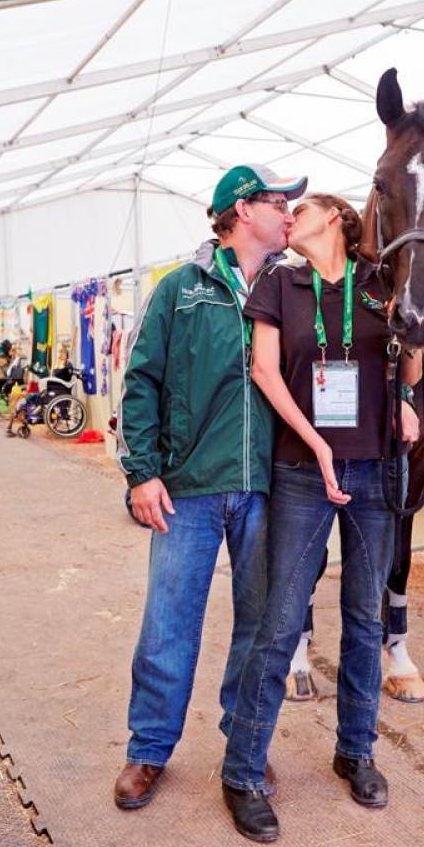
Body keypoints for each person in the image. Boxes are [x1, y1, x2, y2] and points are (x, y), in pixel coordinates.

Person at [219, 193, 422, 842]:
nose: (289, 220)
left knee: (364, 620)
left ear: (333, 217)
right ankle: (243, 769)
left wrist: (410, 375)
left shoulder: (380, 283)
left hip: (373, 468)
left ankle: (356, 752)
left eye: (300, 210)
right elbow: (265, 370)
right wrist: (316, 443)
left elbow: (409, 364)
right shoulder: (281, 282)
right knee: (280, 622)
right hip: (303, 472)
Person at [111, 164, 307, 810]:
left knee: (258, 625)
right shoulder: (179, 289)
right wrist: (141, 474)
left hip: (264, 489)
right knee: (169, 623)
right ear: (242, 210)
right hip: (188, 488)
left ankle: (244, 741)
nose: (289, 214)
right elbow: (140, 382)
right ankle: (148, 749)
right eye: (280, 202)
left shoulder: (289, 290)